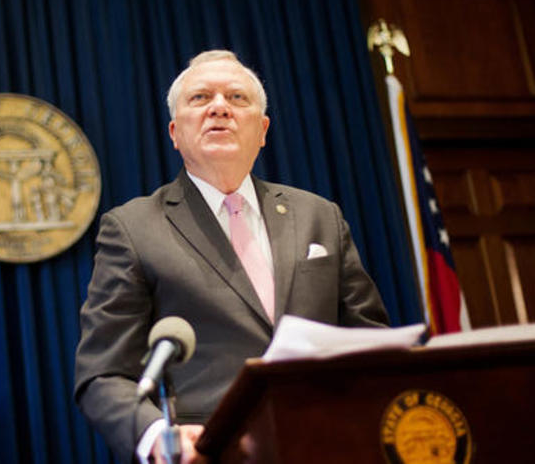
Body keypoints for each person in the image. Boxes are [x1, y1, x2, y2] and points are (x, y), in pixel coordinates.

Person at [74, 50, 389, 464]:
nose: (219, 107)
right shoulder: (133, 228)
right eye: (201, 98)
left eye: (237, 98)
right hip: (214, 451)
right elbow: (102, 374)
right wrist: (158, 437)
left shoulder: (319, 216)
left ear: (262, 130)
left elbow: (371, 343)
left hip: (331, 443)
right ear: (174, 131)